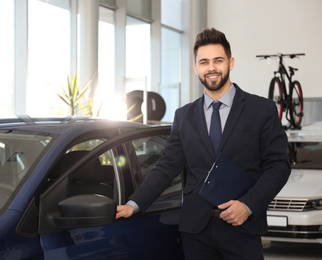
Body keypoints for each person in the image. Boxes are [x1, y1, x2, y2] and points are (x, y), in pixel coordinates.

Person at [116, 27, 290, 259]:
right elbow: (167, 167)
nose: (212, 68)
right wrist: (134, 204)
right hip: (196, 231)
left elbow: (279, 166)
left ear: (231, 62)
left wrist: (247, 205)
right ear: (196, 67)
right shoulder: (183, 115)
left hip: (242, 227)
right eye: (204, 62)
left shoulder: (262, 110)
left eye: (218, 60)